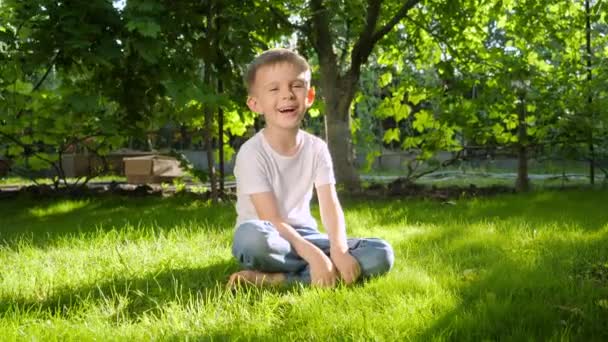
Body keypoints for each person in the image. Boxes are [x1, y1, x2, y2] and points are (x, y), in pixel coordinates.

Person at [228, 48, 394, 288]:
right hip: (269, 236)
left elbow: (329, 204)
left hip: (307, 235)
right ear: (255, 104)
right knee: (252, 240)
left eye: (296, 86)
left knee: (381, 253)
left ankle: (278, 280)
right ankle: (318, 268)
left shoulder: (316, 148)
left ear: (310, 96)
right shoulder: (251, 153)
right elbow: (271, 218)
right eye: (274, 89)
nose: (287, 95)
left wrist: (337, 250)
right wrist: (314, 255)